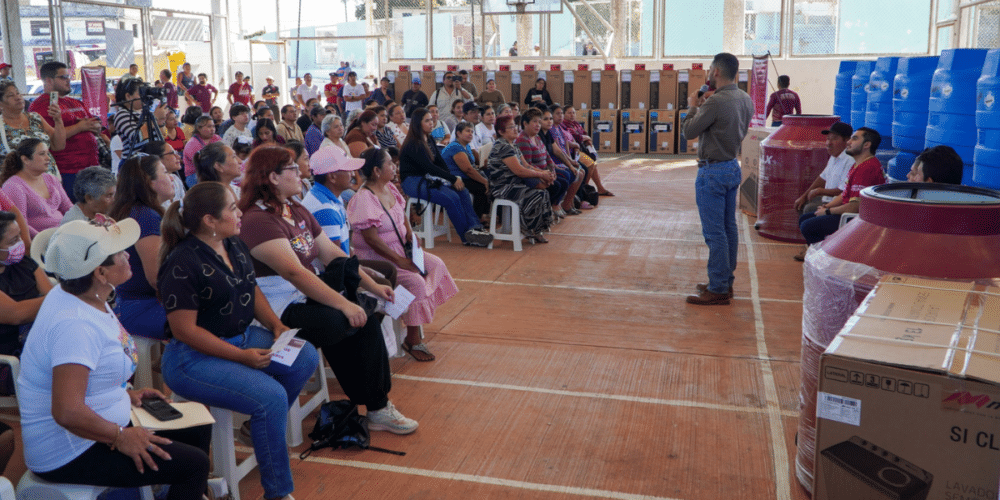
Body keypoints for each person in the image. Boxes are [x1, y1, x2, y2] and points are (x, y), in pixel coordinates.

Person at [20, 218, 210, 499]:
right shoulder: (75, 326)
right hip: (70, 449)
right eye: (120, 253)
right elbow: (67, 412)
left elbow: (91, 373)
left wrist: (124, 394)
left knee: (196, 429)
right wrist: (120, 436)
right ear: (100, 272)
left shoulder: (82, 294)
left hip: (95, 427)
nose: (128, 255)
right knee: (194, 465)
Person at [237, 145, 419, 434]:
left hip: (303, 296)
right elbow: (294, 272)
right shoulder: (257, 221)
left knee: (364, 317)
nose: (301, 172)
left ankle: (377, 406)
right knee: (342, 318)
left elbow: (333, 255)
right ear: (272, 177)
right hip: (276, 308)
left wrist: (373, 288)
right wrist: (344, 304)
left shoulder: (294, 208)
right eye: (293, 168)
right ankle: (367, 403)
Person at [156, 181, 317, 500]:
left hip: (241, 337)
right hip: (193, 358)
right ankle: (278, 493)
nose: (239, 212)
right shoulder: (182, 262)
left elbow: (251, 288)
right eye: (231, 208)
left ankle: (260, 427)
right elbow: (186, 331)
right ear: (209, 221)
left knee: (305, 356)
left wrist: (275, 325)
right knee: (270, 396)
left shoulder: (232, 244)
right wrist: (240, 357)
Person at [348, 147, 460, 361]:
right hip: (378, 259)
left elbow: (402, 215)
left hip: (400, 249)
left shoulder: (389, 187)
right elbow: (371, 239)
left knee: (436, 264)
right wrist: (400, 261)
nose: (394, 166)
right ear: (377, 171)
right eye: (389, 163)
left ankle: (410, 312)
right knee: (416, 282)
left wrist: (410, 234)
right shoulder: (365, 198)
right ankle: (412, 338)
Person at [681, 52, 753, 306]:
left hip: (712, 171)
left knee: (715, 233)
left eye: (711, 70)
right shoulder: (745, 99)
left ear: (717, 72)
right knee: (728, 229)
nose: (709, 74)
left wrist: (692, 106)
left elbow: (689, 131)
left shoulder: (715, 102)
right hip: (732, 166)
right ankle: (725, 280)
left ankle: (719, 286)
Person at [399, 107, 493, 247]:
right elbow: (429, 167)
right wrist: (452, 179)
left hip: (428, 178)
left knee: (463, 191)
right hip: (412, 182)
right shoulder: (414, 143)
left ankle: (475, 228)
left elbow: (439, 162)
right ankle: (466, 236)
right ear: (418, 123)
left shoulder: (429, 138)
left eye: (431, 120)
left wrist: (453, 178)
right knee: (452, 197)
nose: (431, 123)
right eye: (427, 121)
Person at [108, 155, 175, 340]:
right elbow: (156, 278)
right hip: (141, 307)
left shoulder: (138, 211)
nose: (172, 177)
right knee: (211, 319)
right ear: (149, 181)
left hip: (136, 303)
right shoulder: (145, 216)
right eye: (165, 172)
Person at [798, 127, 885, 248]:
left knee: (807, 225)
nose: (849, 142)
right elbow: (844, 193)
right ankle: (820, 251)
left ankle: (825, 254)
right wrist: (826, 206)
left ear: (867, 145)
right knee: (805, 219)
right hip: (850, 212)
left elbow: (855, 207)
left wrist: (827, 211)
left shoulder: (866, 169)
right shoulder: (859, 164)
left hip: (858, 219)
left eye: (854, 139)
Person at [30, 61, 102, 201]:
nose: (68, 80)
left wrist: (95, 127)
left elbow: (95, 123)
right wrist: (80, 127)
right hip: (68, 171)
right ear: (49, 80)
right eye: (63, 77)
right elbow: (50, 138)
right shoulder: (41, 106)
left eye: (69, 76)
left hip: (92, 166)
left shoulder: (75, 102)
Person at [790, 122, 853, 260]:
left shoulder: (849, 160)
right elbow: (821, 178)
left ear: (847, 140)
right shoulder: (834, 157)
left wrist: (820, 192)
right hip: (829, 201)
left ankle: (821, 254)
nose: (829, 143)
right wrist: (804, 196)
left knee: (808, 214)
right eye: (828, 139)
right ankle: (814, 249)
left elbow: (843, 192)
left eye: (834, 139)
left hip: (839, 205)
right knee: (803, 207)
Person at [0, 211, 52, 355]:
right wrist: (64, 294)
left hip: (39, 331)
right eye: (13, 240)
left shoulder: (23, 262)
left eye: (20, 236)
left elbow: (50, 292)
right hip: (12, 347)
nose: (21, 243)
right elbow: (17, 314)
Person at [1, 138, 72, 237]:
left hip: (62, 235)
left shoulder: (51, 179)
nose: (48, 158)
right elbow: (20, 224)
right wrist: (44, 240)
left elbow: (68, 208)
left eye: (48, 153)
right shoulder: (13, 186)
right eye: (42, 154)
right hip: (38, 242)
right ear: (25, 159)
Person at [301, 146, 363, 254]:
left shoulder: (330, 196)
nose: (353, 174)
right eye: (347, 170)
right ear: (332, 177)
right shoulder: (325, 209)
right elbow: (335, 263)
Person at [0, 80, 66, 178]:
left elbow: (58, 146)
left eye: (18, 93)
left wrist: (58, 120)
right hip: (18, 186)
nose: (18, 97)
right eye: (10, 95)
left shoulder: (36, 118)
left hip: (50, 180)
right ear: (0, 104)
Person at [515, 108, 569, 221]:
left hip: (544, 171)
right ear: (525, 123)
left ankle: (550, 208)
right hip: (532, 174)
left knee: (563, 181)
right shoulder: (523, 140)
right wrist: (543, 175)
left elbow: (547, 157)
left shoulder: (537, 137)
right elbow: (527, 165)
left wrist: (552, 171)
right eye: (534, 121)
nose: (538, 125)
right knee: (556, 186)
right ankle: (543, 212)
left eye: (539, 122)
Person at [539, 106, 585, 215]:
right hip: (568, 156)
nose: (572, 115)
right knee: (583, 170)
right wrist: (579, 143)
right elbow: (565, 145)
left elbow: (573, 140)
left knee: (589, 166)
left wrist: (571, 161)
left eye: (573, 112)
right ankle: (569, 202)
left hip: (578, 153)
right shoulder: (556, 129)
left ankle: (575, 200)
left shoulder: (571, 126)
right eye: (569, 113)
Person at [443, 122, 490, 222]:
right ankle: (476, 220)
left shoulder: (467, 146)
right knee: (481, 187)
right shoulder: (455, 147)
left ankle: (483, 215)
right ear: (458, 133)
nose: (470, 134)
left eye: (472, 132)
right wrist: (485, 181)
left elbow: (473, 165)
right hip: (454, 179)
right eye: (467, 131)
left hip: (464, 177)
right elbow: (468, 170)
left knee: (490, 182)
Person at [114, 78, 165, 159]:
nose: (144, 97)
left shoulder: (144, 112)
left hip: (151, 161)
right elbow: (136, 138)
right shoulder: (121, 114)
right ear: (128, 96)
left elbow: (162, 136)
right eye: (141, 93)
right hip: (135, 164)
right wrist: (155, 117)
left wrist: (161, 121)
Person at [183, 115, 222, 188]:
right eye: (209, 126)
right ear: (199, 128)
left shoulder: (217, 138)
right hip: (196, 174)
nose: (212, 129)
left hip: (214, 170)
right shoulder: (192, 144)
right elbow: (202, 164)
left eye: (213, 126)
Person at [144, 140, 186, 208]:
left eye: (176, 152)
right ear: (157, 159)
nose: (178, 156)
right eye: (172, 153)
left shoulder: (175, 179)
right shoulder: (155, 188)